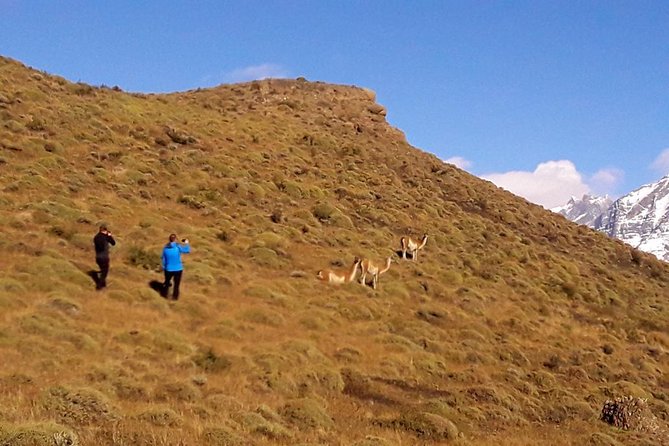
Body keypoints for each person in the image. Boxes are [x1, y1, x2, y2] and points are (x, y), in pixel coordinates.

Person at [161, 233, 191, 300]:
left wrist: (164, 267)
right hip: (178, 269)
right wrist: (187, 243)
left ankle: (164, 296)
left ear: (169, 239)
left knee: (167, 282)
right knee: (176, 285)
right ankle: (175, 298)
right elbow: (187, 250)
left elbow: (163, 259)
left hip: (168, 269)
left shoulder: (165, 248)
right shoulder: (178, 247)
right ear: (175, 239)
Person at [93, 225, 116, 289]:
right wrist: (109, 235)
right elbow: (113, 243)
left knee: (103, 271)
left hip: (98, 257)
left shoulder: (96, 237)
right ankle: (99, 286)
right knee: (104, 272)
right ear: (105, 230)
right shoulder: (106, 237)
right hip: (104, 257)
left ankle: (103, 285)